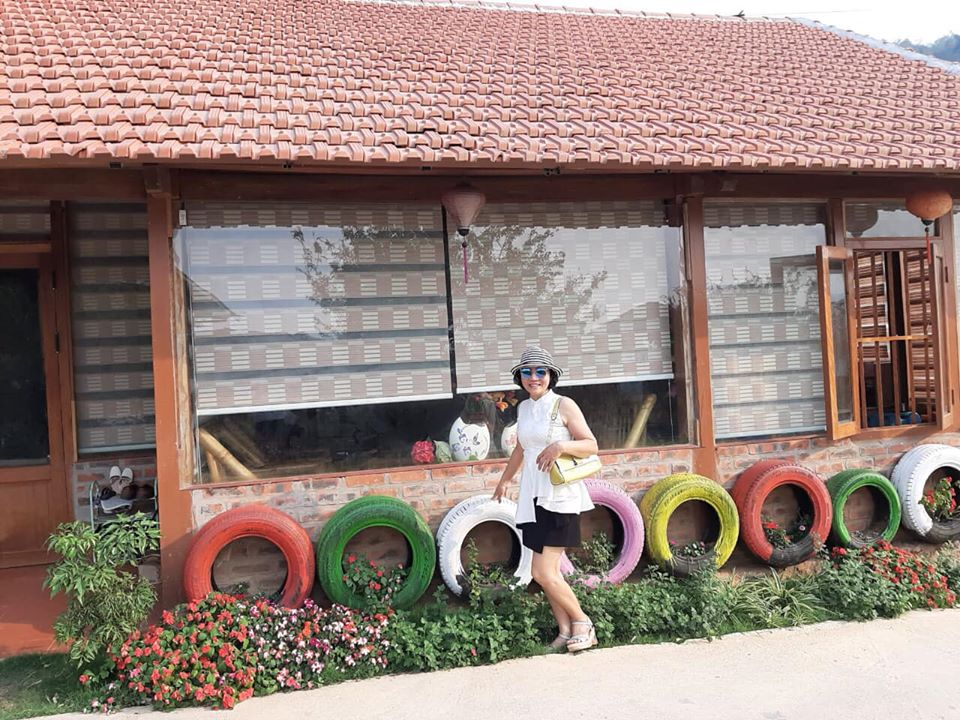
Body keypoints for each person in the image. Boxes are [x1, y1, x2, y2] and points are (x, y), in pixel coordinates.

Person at [492, 346, 599, 653]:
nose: (534, 377)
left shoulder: (564, 405)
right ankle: (565, 631)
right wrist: (505, 480)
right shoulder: (524, 409)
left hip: (560, 498)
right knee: (547, 573)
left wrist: (560, 447)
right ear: (520, 377)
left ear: (551, 376)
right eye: (527, 372)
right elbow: (521, 449)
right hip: (533, 498)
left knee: (541, 572)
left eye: (541, 371)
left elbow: (591, 445)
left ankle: (583, 623)